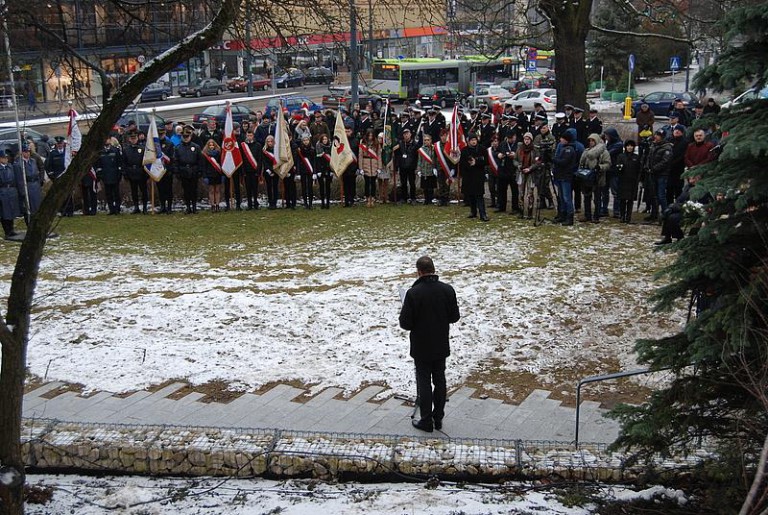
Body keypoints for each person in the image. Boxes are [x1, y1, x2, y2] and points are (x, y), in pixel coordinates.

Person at [398, 256, 460, 433]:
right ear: (433, 269)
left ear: (419, 272)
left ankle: (426, 420)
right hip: (440, 343)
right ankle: (438, 418)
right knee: (440, 380)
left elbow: (405, 324)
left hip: (421, 346)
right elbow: (454, 317)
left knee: (424, 381)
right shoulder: (447, 290)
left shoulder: (413, 293)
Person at [578, 133, 611, 223]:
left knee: (597, 198)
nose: (591, 142)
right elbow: (581, 163)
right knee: (587, 197)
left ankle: (596, 216)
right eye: (590, 140)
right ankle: (587, 215)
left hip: (598, 177)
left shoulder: (603, 152)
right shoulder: (586, 151)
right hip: (587, 176)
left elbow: (608, 164)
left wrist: (600, 167)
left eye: (593, 140)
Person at [643, 129, 674, 222]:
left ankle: (666, 214)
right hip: (652, 174)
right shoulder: (653, 145)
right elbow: (649, 157)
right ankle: (654, 214)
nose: (656, 136)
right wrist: (647, 166)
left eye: (658, 135)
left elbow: (665, 162)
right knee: (653, 194)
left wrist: (654, 168)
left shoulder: (667, 148)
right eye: (656, 134)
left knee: (661, 195)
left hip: (662, 174)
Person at [173, 125, 203, 214]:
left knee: (194, 190)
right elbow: (175, 161)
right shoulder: (178, 147)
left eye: (187, 136)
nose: (186, 138)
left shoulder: (196, 147)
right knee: (186, 191)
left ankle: (194, 207)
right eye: (184, 137)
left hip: (194, 170)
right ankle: (188, 207)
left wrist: (199, 170)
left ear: (190, 136)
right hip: (183, 171)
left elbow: (200, 160)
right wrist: (177, 172)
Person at [460, 134, 489, 221]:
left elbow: (486, 161)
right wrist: (469, 165)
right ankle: (473, 212)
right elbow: (462, 163)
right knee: (471, 195)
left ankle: (483, 214)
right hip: (468, 176)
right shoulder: (464, 150)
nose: (473, 141)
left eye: (475, 140)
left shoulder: (482, 149)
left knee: (479, 195)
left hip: (478, 175)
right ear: (468, 141)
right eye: (472, 140)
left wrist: (476, 162)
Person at [552, 131, 578, 226]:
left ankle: (569, 216)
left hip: (566, 176)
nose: (560, 140)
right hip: (560, 175)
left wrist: (553, 159)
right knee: (561, 197)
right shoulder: (563, 148)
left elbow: (563, 162)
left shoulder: (569, 149)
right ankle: (562, 214)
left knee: (567, 197)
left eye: (562, 138)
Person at [14, 145, 44, 224]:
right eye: (26, 152)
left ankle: (37, 221)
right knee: (28, 206)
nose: (27, 153)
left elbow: (38, 170)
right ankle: (30, 223)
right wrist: (22, 191)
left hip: (35, 185)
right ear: (22, 152)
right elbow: (19, 179)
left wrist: (39, 181)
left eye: (28, 152)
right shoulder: (18, 164)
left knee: (37, 205)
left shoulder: (33, 161)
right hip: (27, 185)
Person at [45, 136, 74, 216]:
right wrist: (53, 177)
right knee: (60, 195)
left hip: (67, 176)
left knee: (68, 195)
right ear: (56, 144)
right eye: (58, 144)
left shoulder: (67, 153)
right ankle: (62, 210)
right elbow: (49, 166)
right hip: (57, 177)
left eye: (61, 143)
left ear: (63, 144)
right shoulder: (52, 153)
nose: (60, 145)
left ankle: (70, 211)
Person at [122, 130, 149, 214]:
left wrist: (146, 173)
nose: (133, 140)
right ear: (129, 139)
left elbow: (146, 161)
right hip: (131, 172)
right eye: (132, 138)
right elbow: (124, 162)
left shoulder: (142, 148)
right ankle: (136, 207)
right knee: (134, 191)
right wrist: (125, 173)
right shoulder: (126, 149)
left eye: (135, 138)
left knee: (144, 191)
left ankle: (145, 207)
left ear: (137, 138)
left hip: (141, 172)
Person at [615, 139, 642, 224]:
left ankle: (628, 217)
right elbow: (617, 167)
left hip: (633, 181)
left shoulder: (636, 157)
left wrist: (639, 179)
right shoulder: (621, 156)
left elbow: (639, 169)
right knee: (622, 200)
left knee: (630, 200)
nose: (630, 147)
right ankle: (622, 215)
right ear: (625, 147)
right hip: (623, 180)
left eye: (631, 146)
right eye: (628, 146)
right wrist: (619, 168)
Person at [514, 132, 537, 219]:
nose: (526, 141)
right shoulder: (520, 149)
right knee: (520, 193)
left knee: (530, 193)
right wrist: (518, 166)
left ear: (531, 140)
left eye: (528, 139)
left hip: (531, 173)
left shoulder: (534, 149)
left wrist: (530, 168)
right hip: (521, 172)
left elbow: (537, 162)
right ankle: (521, 211)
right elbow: (515, 160)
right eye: (525, 139)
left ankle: (530, 212)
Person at [393, 127, 418, 204]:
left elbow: (416, 155)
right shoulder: (400, 144)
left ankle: (413, 198)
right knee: (403, 183)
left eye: (407, 134)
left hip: (411, 167)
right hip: (403, 166)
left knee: (412, 183)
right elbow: (395, 154)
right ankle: (404, 198)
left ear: (410, 134)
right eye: (404, 134)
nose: (406, 135)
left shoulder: (415, 144)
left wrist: (415, 166)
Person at [0, 150, 20, 239]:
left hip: (11, 190)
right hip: (3, 191)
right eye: (4, 158)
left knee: (12, 211)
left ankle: (11, 230)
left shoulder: (10, 167)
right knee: (5, 212)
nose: (6, 159)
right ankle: (7, 231)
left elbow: (15, 178)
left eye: (6, 158)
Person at [496, 131, 518, 213]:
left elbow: (521, 155)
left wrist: (515, 155)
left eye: (511, 138)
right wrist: (498, 154)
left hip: (513, 170)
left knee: (514, 190)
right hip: (503, 169)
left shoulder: (518, 144)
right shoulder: (503, 143)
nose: (510, 140)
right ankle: (501, 206)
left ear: (514, 136)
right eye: (509, 138)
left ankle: (515, 207)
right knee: (501, 189)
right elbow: (497, 152)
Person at [241, 128, 261, 210]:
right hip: (246, 171)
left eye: (251, 135)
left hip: (255, 170)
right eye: (248, 135)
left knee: (255, 188)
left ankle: (255, 203)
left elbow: (260, 159)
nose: (249, 137)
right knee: (248, 188)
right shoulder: (243, 146)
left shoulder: (258, 145)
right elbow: (241, 159)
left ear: (253, 136)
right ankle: (249, 204)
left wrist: (258, 171)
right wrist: (243, 171)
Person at [358, 129, 380, 208]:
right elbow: (360, 155)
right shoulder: (363, 143)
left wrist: (379, 167)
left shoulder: (376, 143)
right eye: (369, 135)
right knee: (367, 183)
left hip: (374, 163)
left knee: (373, 182)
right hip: (365, 162)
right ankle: (367, 198)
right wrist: (360, 168)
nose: (370, 137)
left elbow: (379, 155)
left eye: (372, 135)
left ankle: (373, 198)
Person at [156, 127, 175, 214]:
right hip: (158, 170)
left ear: (165, 133)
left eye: (162, 134)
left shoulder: (170, 144)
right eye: (159, 134)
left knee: (168, 190)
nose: (161, 136)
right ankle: (162, 206)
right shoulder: (155, 144)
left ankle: (169, 207)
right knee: (161, 190)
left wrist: (170, 169)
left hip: (167, 170)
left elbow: (172, 158)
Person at [202, 139, 223, 212]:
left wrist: (223, 174)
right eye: (210, 145)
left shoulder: (219, 153)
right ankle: (212, 205)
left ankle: (217, 205)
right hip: (209, 174)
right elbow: (203, 166)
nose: (211, 146)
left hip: (218, 173)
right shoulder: (205, 155)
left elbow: (221, 164)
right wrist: (204, 176)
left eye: (212, 145)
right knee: (211, 191)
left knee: (217, 190)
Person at [417, 133, 437, 205]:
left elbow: (436, 159)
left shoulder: (434, 148)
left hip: (432, 170)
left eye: (428, 140)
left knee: (431, 186)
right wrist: (418, 170)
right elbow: (419, 160)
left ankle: (430, 200)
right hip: (424, 170)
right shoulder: (421, 149)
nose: (426, 141)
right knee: (425, 187)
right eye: (425, 140)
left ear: (431, 140)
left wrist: (435, 168)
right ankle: (426, 199)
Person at [315, 134, 333, 209]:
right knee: (321, 186)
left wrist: (332, 170)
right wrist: (318, 171)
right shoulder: (318, 147)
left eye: (326, 139)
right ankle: (322, 202)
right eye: (323, 139)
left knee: (328, 187)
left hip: (329, 169)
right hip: (321, 169)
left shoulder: (331, 147)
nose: (325, 141)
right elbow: (317, 160)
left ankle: (328, 203)